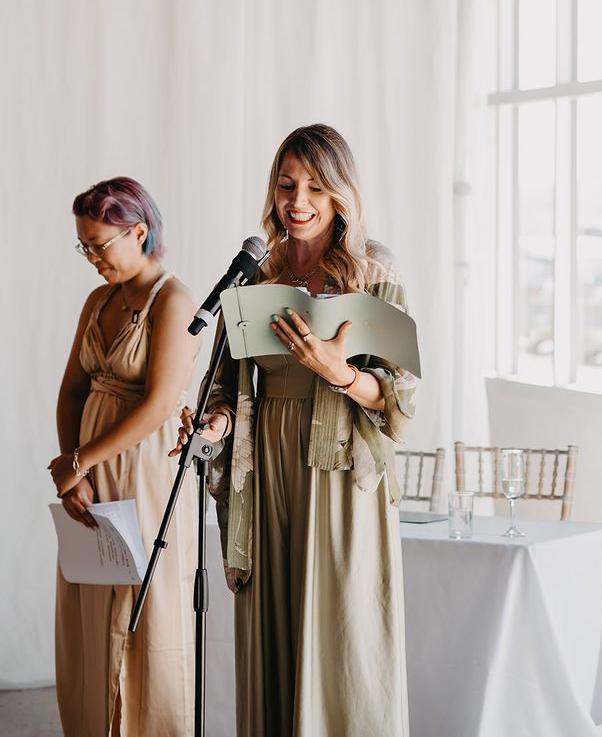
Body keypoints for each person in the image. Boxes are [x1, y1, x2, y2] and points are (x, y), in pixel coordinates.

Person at [172, 123, 418, 737]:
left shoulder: (371, 270)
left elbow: (400, 398)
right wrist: (217, 418)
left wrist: (338, 373)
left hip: (336, 480)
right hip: (265, 477)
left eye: (314, 186)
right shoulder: (254, 276)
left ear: (340, 194)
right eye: (286, 185)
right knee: (274, 634)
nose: (297, 201)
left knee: (343, 644)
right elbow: (226, 383)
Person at [49, 177, 199, 737]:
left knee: (145, 609)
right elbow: (71, 391)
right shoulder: (99, 300)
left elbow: (161, 404)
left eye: (99, 245)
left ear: (139, 232)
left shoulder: (176, 300)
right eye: (84, 246)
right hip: (87, 477)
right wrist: (72, 472)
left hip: (146, 475)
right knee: (89, 603)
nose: (92, 258)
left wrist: (81, 460)